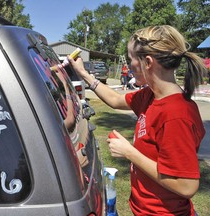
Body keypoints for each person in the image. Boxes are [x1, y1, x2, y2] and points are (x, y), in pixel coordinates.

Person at [69, 25, 206, 216]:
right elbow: (116, 100)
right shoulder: (150, 96)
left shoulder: (176, 115)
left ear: (147, 62)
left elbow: (186, 186)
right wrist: (83, 74)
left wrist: (129, 153)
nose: (130, 65)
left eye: (132, 58)